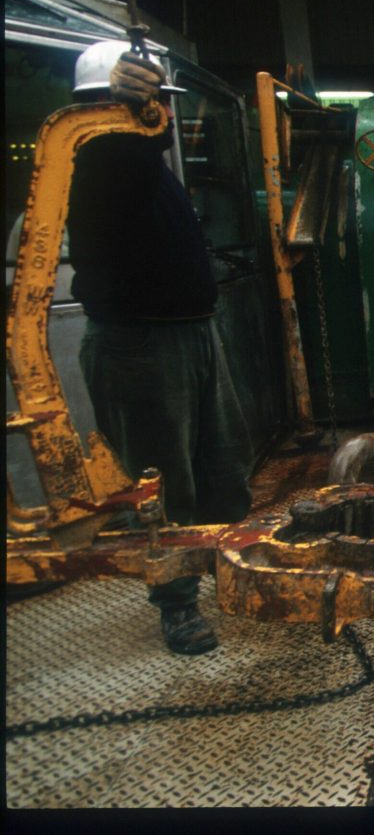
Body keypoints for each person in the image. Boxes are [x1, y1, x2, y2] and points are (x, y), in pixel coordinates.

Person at [66, 39, 254, 655]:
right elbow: (114, 177)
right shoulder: (95, 165)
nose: (168, 119)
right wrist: (126, 120)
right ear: (114, 108)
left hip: (194, 334)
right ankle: (177, 604)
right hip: (140, 346)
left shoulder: (151, 171)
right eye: (156, 107)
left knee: (221, 464)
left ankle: (225, 566)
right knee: (162, 479)